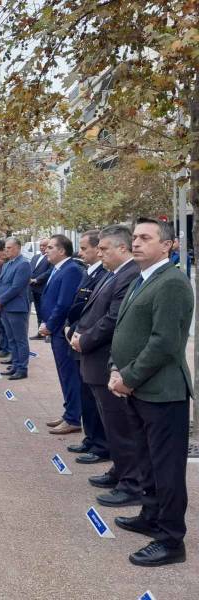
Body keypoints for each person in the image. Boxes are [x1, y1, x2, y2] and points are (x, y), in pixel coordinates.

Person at [108, 219, 193, 567]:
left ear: (167, 245)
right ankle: (151, 515)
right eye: (135, 237)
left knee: (167, 469)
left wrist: (128, 377)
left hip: (162, 392)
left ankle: (171, 540)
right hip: (139, 389)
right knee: (146, 460)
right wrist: (117, 369)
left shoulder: (172, 282)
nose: (137, 243)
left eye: (146, 238)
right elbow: (125, 329)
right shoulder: (142, 278)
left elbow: (164, 342)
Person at [70, 225, 141, 508]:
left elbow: (113, 319)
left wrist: (84, 339)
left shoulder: (129, 274)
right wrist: (77, 332)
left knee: (120, 426)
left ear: (122, 248)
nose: (100, 254)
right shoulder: (113, 274)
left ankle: (131, 483)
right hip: (95, 359)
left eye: (104, 249)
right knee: (111, 424)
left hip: (105, 358)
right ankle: (120, 471)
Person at [64, 230, 108, 461]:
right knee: (86, 395)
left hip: (90, 342)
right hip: (79, 339)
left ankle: (100, 444)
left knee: (94, 398)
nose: (80, 253)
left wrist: (78, 332)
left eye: (84, 248)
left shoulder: (104, 274)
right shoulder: (89, 272)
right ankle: (91, 438)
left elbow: (96, 313)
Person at [39, 234, 84, 434]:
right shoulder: (58, 268)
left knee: (69, 375)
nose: (46, 250)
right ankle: (69, 413)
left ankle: (73, 418)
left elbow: (64, 303)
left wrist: (49, 325)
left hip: (61, 330)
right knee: (64, 374)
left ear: (62, 250)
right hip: (55, 329)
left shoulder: (71, 269)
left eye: (50, 247)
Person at [0, 237, 31, 380]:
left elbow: (16, 288)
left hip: (16, 308)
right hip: (5, 307)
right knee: (11, 339)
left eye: (9, 248)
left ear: (18, 248)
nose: (6, 251)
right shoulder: (7, 264)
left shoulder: (23, 264)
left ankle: (22, 368)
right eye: (5, 248)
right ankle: (15, 365)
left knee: (20, 340)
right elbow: (0, 284)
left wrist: (0, 300)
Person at [29, 238, 52, 339]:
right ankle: (40, 333)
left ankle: (47, 333)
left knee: (46, 311)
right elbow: (30, 270)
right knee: (38, 312)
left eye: (44, 245)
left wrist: (37, 279)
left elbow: (49, 272)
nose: (42, 247)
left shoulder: (50, 258)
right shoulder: (35, 257)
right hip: (33, 289)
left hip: (43, 289)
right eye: (41, 245)